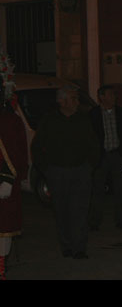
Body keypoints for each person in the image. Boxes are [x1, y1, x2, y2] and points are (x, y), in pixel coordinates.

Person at [31, 84, 100, 259]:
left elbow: (94, 144)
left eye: (77, 98)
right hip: (57, 171)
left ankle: (79, 247)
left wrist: (89, 166)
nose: (77, 102)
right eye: (73, 98)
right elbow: (37, 146)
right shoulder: (49, 120)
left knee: (80, 210)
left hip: (80, 171)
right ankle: (66, 245)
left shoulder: (83, 120)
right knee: (61, 210)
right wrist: (47, 169)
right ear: (62, 101)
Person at [89, 84, 122, 230]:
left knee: (120, 189)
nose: (114, 97)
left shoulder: (120, 113)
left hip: (116, 154)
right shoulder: (94, 114)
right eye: (110, 94)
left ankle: (121, 220)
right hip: (101, 156)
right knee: (97, 189)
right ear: (102, 97)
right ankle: (95, 221)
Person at [0, 52, 28, 280]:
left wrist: (9, 179)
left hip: (5, 182)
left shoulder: (11, 121)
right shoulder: (12, 121)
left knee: (4, 228)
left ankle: (1, 269)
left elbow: (18, 154)